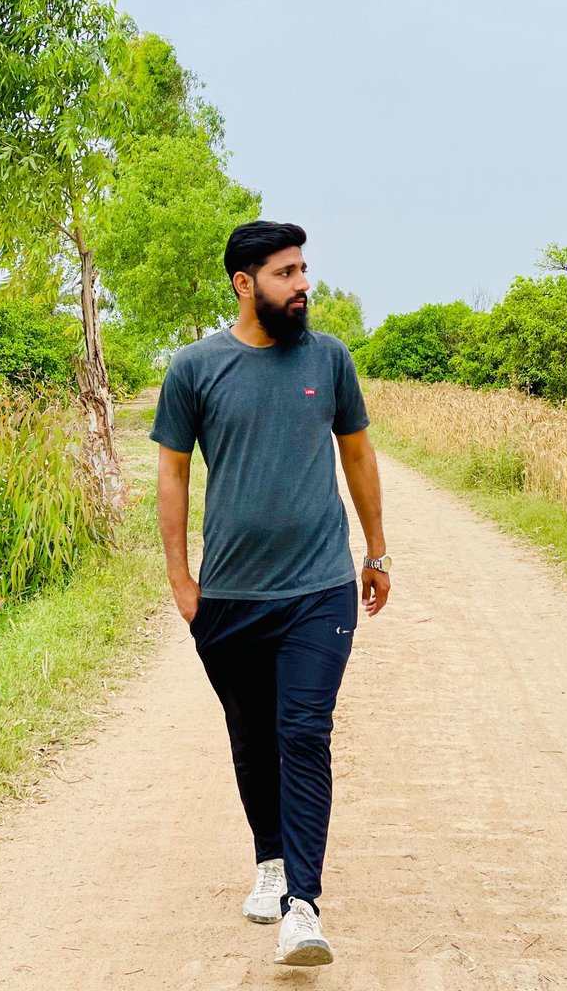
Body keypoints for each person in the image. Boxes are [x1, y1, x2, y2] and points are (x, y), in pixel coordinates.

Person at [151, 220, 391, 967]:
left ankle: (303, 906)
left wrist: (376, 550)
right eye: (286, 273)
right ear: (244, 283)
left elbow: (357, 453)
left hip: (320, 588)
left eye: (303, 269)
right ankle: (269, 859)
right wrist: (182, 581)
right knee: (253, 735)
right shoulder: (195, 368)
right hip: (227, 596)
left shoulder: (330, 358)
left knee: (303, 731)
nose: (303, 285)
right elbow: (172, 474)